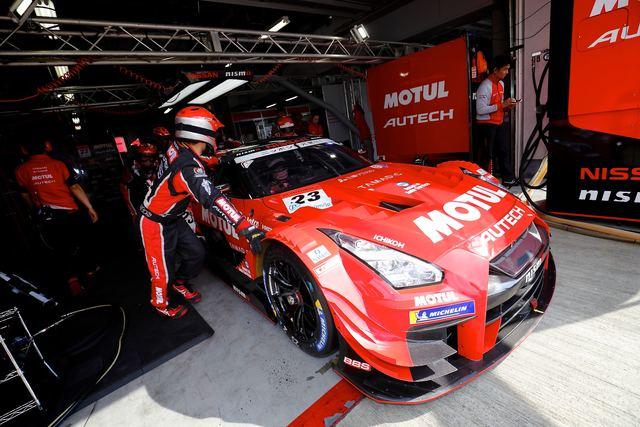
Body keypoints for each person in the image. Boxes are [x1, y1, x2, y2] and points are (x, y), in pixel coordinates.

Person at [139, 106, 265, 319]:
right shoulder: (187, 168)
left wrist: (213, 161)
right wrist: (244, 225)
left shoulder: (177, 147)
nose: (216, 136)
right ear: (202, 132)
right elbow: (212, 197)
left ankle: (180, 283)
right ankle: (160, 304)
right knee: (162, 270)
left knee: (197, 253)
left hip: (173, 218)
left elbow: (186, 161)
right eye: (214, 131)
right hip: (154, 222)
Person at [15, 137, 99, 294]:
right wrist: (89, 207)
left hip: (48, 217)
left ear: (24, 150)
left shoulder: (21, 170)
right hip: (70, 212)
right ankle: (89, 272)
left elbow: (25, 195)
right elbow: (74, 187)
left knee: (60, 249)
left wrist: (35, 210)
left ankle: (72, 280)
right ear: (46, 146)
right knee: (82, 241)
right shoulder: (58, 164)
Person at [475, 54, 518, 184]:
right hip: (486, 125)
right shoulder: (485, 86)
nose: (506, 72)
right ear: (495, 70)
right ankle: (484, 182)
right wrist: (502, 105)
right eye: (504, 69)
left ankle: (508, 179)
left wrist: (508, 107)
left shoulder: (501, 84)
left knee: (503, 151)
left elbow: (499, 106)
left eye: (507, 69)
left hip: (499, 123)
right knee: (488, 155)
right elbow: (480, 110)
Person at [120, 142, 159, 220]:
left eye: (151, 158)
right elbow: (123, 186)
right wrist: (133, 211)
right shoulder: (131, 168)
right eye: (144, 158)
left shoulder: (158, 164)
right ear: (138, 158)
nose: (148, 161)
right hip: (137, 194)